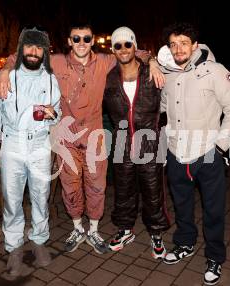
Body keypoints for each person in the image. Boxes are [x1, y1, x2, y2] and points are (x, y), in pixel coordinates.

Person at [0, 23, 165, 255]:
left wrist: (152, 61)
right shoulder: (57, 62)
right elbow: (24, 54)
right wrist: (5, 70)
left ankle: (93, 230)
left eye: (86, 39)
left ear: (93, 40)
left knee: (96, 185)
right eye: (77, 39)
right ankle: (77, 228)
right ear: (69, 41)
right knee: (70, 185)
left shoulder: (106, 61)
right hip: (66, 137)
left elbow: (135, 52)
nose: (81, 43)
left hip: (94, 136)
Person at [158, 22, 230, 285]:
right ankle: (185, 244)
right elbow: (163, 109)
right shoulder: (168, 74)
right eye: (173, 44)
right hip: (176, 153)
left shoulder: (215, 71)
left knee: (213, 210)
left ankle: (215, 257)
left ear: (195, 45)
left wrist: (220, 147)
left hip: (207, 153)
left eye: (183, 43)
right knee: (182, 205)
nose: (178, 48)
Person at [0, 27, 61, 277]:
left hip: (39, 144)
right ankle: (14, 247)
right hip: (12, 144)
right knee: (12, 199)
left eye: (39, 47)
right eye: (29, 46)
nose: (34, 52)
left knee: (40, 196)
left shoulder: (50, 79)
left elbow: (55, 113)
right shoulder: (2, 78)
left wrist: (53, 115)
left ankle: (38, 240)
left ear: (44, 52)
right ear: (21, 49)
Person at [103, 27, 169, 259]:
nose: (123, 49)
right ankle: (125, 230)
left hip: (149, 140)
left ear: (134, 46)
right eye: (118, 45)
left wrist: (152, 60)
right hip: (122, 141)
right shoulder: (109, 78)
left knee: (153, 191)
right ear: (113, 49)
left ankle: (156, 233)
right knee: (123, 190)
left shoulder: (151, 72)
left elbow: (170, 102)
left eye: (127, 44)